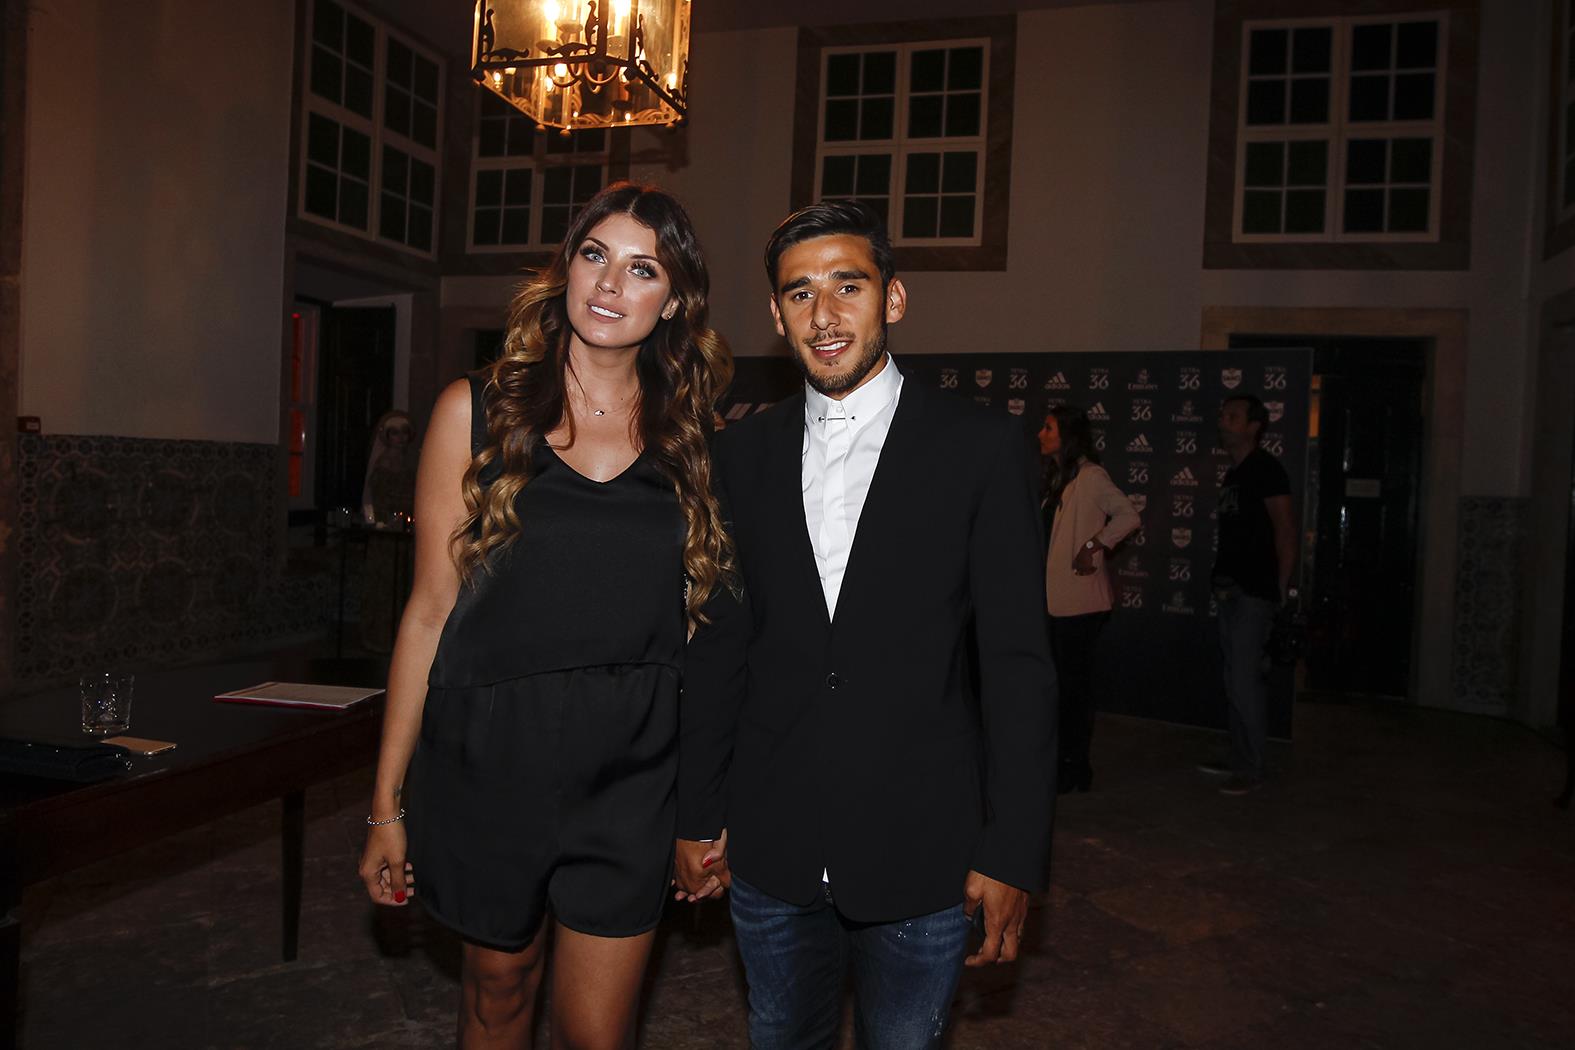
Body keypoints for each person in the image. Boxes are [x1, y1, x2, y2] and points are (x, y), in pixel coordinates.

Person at [356, 182, 733, 1048]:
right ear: (566, 269)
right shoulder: (474, 411)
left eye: (643, 269)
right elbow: (427, 614)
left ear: (674, 301)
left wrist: (707, 804)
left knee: (597, 1034)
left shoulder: (692, 438)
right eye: (595, 255)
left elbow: (706, 632)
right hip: (490, 754)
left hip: (635, 764)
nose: (610, 283)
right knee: (497, 992)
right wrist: (385, 803)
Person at [674, 201, 1058, 1049]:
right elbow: (721, 646)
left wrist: (1012, 850)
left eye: (847, 286)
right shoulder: (739, 456)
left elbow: (1016, 665)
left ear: (893, 298)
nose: (824, 314)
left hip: (922, 845)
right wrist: (696, 812)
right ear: (776, 315)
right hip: (770, 845)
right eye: (799, 293)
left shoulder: (981, 447)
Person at [1039, 405, 1140, 794]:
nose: (1041, 434)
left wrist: (1093, 545)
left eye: (1049, 428)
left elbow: (1128, 516)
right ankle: (1063, 760)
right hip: (1056, 601)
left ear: (1068, 435)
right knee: (1061, 687)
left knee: (1074, 689)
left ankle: (1075, 766)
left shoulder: (1091, 476)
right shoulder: (1059, 479)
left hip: (1080, 604)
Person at [1200, 393, 1297, 796]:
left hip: (1255, 593)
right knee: (1233, 678)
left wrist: (1281, 590)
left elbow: (1285, 530)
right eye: (1222, 414)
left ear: (1254, 426)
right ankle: (1240, 756)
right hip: (1229, 590)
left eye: (1233, 416)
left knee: (1244, 681)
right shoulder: (1234, 474)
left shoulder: (1266, 470)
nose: (1223, 421)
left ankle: (1252, 767)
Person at [359, 410, 418, 652]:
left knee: (403, 584)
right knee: (383, 584)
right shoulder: (382, 465)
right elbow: (381, 500)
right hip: (386, 534)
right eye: (395, 433)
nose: (401, 438)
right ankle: (379, 636)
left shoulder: (409, 464)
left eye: (404, 433)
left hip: (404, 534)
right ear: (387, 436)